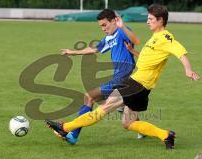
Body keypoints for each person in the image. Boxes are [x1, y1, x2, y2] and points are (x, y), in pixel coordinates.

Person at [46, 4, 200, 149]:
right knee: (128, 123)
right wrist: (133, 52)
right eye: (147, 18)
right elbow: (148, 59)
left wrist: (188, 69)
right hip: (143, 87)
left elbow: (181, 52)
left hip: (135, 83)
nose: (147, 21)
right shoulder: (154, 38)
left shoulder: (165, 37)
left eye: (151, 19)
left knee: (104, 106)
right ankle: (166, 135)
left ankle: (65, 127)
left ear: (160, 20)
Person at [59, 9, 141, 144]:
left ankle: (73, 134)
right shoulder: (109, 37)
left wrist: (123, 26)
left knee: (89, 96)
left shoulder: (121, 31)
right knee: (122, 105)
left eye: (104, 25)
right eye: (100, 26)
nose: (103, 29)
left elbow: (135, 41)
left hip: (123, 74)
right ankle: (141, 128)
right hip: (120, 76)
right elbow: (95, 49)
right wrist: (73, 52)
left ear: (114, 21)